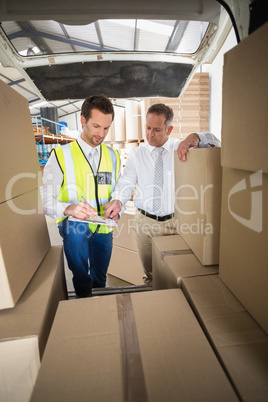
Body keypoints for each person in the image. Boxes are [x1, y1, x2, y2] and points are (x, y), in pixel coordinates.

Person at [104, 103, 220, 286]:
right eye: (148, 128)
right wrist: (118, 200)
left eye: (157, 130)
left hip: (175, 223)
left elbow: (215, 142)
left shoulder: (182, 149)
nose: (150, 134)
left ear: (169, 129)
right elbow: (127, 182)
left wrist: (194, 136)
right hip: (145, 224)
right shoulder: (137, 154)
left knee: (176, 272)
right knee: (149, 275)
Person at [41, 95, 121, 298]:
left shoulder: (113, 156)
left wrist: (118, 206)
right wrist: (69, 209)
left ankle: (98, 306)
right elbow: (45, 201)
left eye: (106, 128)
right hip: (75, 227)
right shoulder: (60, 155)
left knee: (100, 278)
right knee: (82, 278)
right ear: (82, 120)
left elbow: (117, 191)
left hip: (103, 227)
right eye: (96, 126)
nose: (101, 134)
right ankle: (83, 300)